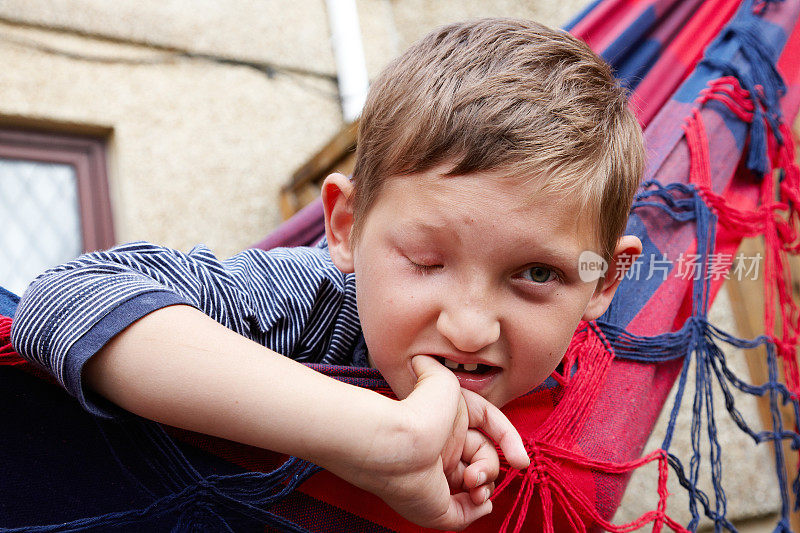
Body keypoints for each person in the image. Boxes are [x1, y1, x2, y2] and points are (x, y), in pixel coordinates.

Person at [10, 17, 644, 531]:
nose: (470, 327)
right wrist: (377, 437)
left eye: (536, 273)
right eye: (425, 262)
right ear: (345, 227)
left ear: (604, 281)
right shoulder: (312, 300)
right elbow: (66, 298)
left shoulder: (591, 386)